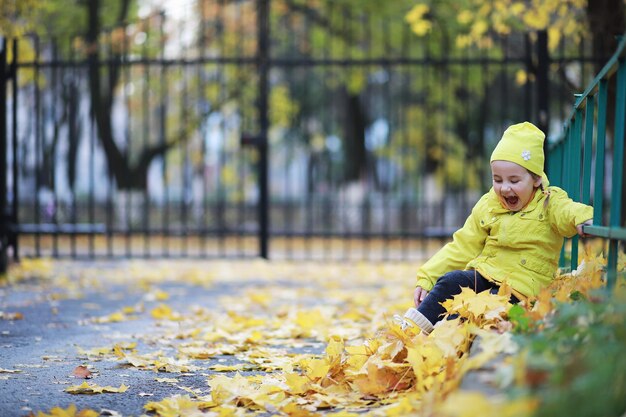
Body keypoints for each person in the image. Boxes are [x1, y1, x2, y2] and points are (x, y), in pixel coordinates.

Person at [399, 122, 593, 334]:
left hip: (522, 288)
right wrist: (427, 276)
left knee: (486, 305)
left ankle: (444, 335)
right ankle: (411, 330)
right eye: (497, 179)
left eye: (514, 180)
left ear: (536, 178)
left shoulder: (549, 201)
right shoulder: (489, 204)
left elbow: (567, 210)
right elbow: (462, 245)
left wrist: (583, 218)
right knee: (450, 281)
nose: (505, 188)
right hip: (485, 273)